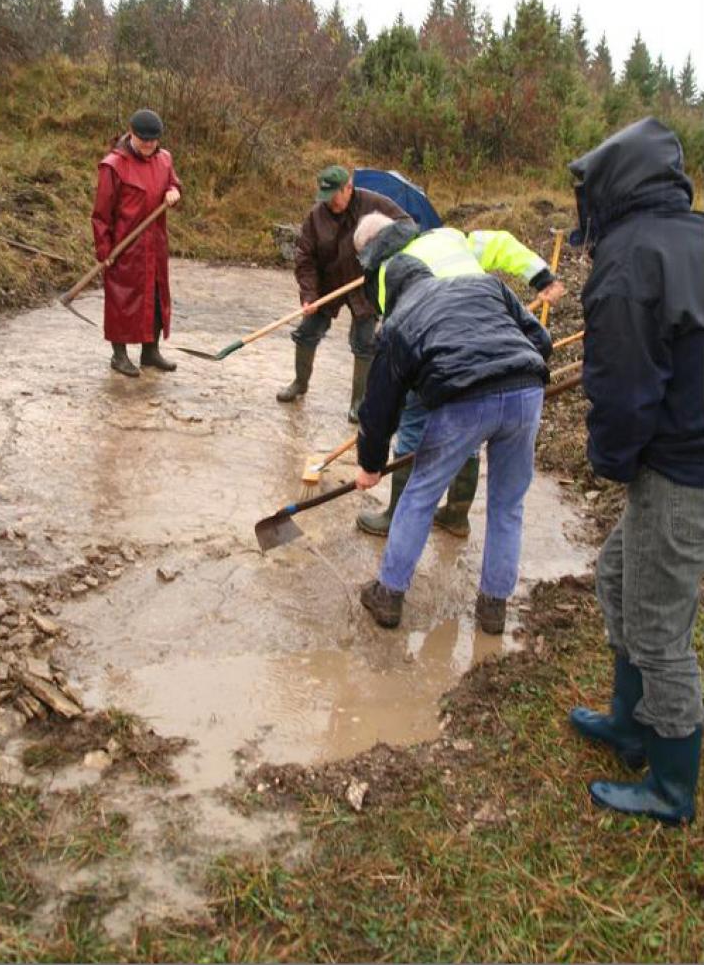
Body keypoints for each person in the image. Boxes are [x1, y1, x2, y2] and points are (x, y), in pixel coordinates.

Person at [566, 117, 704, 826]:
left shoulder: (627, 261)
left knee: (660, 631)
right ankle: (628, 723)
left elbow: (623, 386)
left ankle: (673, 785)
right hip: (683, 450)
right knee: (618, 575)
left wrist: (611, 462)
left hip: (680, 469)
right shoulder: (693, 235)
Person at [352, 213, 552, 635]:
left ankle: (389, 595)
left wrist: (369, 464)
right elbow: (542, 342)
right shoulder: (486, 285)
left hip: (464, 401)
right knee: (507, 506)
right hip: (525, 390)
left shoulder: (400, 320)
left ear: (390, 286)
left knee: (420, 495)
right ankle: (494, 608)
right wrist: (515, 377)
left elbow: (380, 404)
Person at [276, 165, 410, 422]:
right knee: (306, 333)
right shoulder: (316, 216)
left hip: (365, 283)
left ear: (348, 188)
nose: (330, 202)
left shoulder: (373, 203)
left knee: (364, 343)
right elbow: (304, 258)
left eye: (334, 196)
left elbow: (406, 227)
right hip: (329, 283)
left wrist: (379, 251)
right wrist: (309, 295)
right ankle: (299, 383)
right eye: (324, 196)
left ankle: (359, 403)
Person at [91, 108, 182, 377]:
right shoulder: (113, 166)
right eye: (144, 140)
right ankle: (119, 356)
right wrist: (104, 250)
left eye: (154, 140)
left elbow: (173, 184)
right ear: (131, 133)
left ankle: (150, 353)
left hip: (155, 244)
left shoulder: (164, 159)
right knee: (122, 302)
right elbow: (101, 214)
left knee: (154, 298)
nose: (150, 145)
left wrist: (173, 190)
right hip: (125, 248)